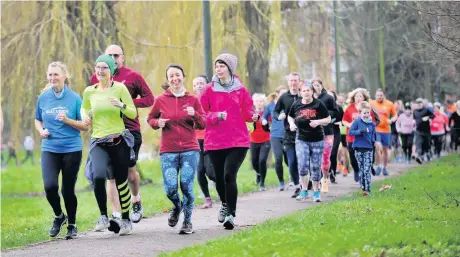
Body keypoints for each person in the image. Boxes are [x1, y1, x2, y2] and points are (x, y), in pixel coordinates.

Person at [90, 45, 154, 223]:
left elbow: (150, 99)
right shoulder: (95, 79)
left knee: (129, 172)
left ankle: (136, 199)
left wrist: (125, 102)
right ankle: (116, 215)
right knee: (111, 176)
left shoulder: (133, 76)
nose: (113, 58)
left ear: (123, 57)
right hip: (106, 133)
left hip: (129, 131)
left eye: (116, 55)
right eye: (109, 55)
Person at [200, 53, 258, 230]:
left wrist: (253, 116)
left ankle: (231, 214)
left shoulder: (241, 90)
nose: (218, 69)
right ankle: (224, 203)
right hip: (215, 141)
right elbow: (201, 116)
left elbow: (247, 111)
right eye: (217, 66)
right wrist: (216, 116)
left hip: (238, 140)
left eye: (222, 66)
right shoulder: (209, 90)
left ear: (230, 68)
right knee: (218, 179)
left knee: (228, 175)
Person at [147, 64, 205, 234]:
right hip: (168, 150)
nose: (175, 78)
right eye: (171, 76)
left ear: (183, 76)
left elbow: (203, 122)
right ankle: (177, 205)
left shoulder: (193, 99)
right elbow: (150, 119)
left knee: (186, 186)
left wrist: (194, 114)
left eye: (177, 75)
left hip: (190, 149)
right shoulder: (161, 100)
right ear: (168, 80)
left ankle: (187, 222)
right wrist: (158, 123)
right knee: (170, 188)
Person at [83, 54, 137, 235]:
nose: (100, 71)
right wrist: (85, 116)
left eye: (104, 67)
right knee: (98, 176)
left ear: (111, 70)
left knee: (121, 181)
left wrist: (121, 105)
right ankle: (103, 216)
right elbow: (84, 108)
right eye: (98, 67)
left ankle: (126, 219)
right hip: (98, 141)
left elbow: (132, 113)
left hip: (118, 140)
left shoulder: (120, 88)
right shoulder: (90, 91)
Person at [35, 61, 88, 239]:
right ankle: (59, 216)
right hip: (49, 148)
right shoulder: (43, 97)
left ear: (65, 76)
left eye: (56, 74)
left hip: (71, 148)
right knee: (50, 186)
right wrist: (41, 131)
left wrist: (67, 120)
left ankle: (72, 224)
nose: (52, 78)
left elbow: (85, 126)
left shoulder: (75, 98)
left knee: (67, 190)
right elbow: (37, 119)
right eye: (50, 75)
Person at [287, 82, 331, 202]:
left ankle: (316, 192)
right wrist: (291, 123)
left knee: (315, 166)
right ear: (301, 93)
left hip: (317, 139)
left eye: (308, 90)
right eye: (304, 91)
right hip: (301, 139)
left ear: (312, 92)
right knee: (302, 165)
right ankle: (304, 190)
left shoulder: (318, 104)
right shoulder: (296, 104)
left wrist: (318, 122)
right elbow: (290, 116)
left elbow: (328, 119)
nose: (306, 92)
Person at [273, 72, 302, 198]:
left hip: (304, 133)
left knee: (303, 161)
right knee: (292, 161)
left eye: (295, 80)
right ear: (288, 82)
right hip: (289, 133)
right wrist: (278, 116)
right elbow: (275, 111)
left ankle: (307, 183)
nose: (293, 83)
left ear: (299, 82)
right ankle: (297, 186)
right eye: (291, 81)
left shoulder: (304, 95)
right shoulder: (284, 97)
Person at [342, 88, 379, 184]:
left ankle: (369, 167)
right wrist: (350, 125)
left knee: (370, 154)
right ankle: (356, 170)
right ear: (353, 98)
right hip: (352, 137)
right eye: (356, 96)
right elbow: (344, 120)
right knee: (352, 156)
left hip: (366, 137)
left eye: (360, 96)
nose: (358, 98)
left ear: (364, 98)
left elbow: (373, 122)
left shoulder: (368, 108)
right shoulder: (349, 108)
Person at [192, 75, 216, 209]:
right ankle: (207, 198)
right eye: (196, 84)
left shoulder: (212, 99)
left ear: (207, 85)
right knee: (200, 170)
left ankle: (223, 187)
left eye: (201, 83)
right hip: (195, 140)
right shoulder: (190, 100)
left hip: (211, 138)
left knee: (211, 172)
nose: (199, 86)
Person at [312, 78, 338, 192]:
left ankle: (325, 179)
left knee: (325, 158)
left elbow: (336, 112)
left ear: (321, 86)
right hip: (312, 132)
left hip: (327, 132)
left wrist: (325, 113)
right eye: (314, 86)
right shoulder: (308, 100)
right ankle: (315, 181)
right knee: (314, 159)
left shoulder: (328, 98)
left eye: (318, 85)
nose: (316, 87)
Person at [348, 101, 378, 196]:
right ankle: (363, 185)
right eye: (364, 113)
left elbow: (373, 135)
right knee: (361, 169)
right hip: (358, 148)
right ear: (360, 113)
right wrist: (361, 131)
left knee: (367, 169)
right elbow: (351, 133)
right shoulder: (357, 122)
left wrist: (375, 142)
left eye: (367, 112)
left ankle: (368, 189)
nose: (366, 114)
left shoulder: (372, 124)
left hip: (369, 149)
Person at [262, 86, 288, 191]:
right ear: (277, 94)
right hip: (275, 135)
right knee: (278, 159)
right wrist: (264, 120)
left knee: (289, 160)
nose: (284, 95)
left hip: (288, 134)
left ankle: (294, 179)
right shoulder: (270, 106)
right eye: (282, 93)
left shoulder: (288, 104)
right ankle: (281, 182)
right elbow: (264, 116)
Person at [370, 89, 397, 176]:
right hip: (376, 129)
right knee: (378, 148)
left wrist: (391, 120)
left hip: (386, 130)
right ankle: (378, 166)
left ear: (383, 95)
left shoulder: (389, 104)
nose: (379, 97)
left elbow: (395, 115)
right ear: (375, 96)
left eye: (381, 95)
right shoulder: (372, 103)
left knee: (385, 149)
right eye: (377, 95)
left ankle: (385, 168)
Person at [250, 93, 271, 191]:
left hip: (265, 140)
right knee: (254, 161)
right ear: (254, 103)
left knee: (262, 160)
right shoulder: (251, 113)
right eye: (257, 101)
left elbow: (272, 123)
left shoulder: (267, 113)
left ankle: (262, 182)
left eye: (261, 101)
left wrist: (270, 126)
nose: (259, 103)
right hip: (253, 140)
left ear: (264, 103)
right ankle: (258, 173)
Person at [327, 90, 343, 184]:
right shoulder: (322, 108)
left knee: (333, 153)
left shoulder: (339, 108)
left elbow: (344, 119)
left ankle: (333, 171)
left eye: (331, 97)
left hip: (336, 133)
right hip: (326, 133)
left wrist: (341, 122)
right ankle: (328, 171)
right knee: (327, 154)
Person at [413, 98, 435, 164]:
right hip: (418, 131)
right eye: (417, 103)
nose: (419, 104)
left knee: (426, 144)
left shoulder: (426, 110)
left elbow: (433, 116)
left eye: (420, 103)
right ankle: (419, 157)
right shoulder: (415, 111)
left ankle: (427, 154)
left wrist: (428, 117)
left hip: (426, 131)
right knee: (419, 143)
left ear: (422, 104)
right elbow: (414, 119)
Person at [336, 93, 349, 176]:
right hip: (337, 131)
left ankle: (345, 168)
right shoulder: (335, 108)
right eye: (339, 100)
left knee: (344, 151)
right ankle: (339, 165)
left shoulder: (346, 108)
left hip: (345, 131)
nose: (340, 102)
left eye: (341, 100)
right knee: (337, 150)